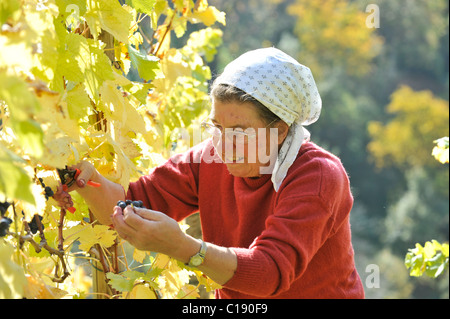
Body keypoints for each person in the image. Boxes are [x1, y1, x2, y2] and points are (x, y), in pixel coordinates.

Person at [55, 48, 365, 299]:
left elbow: (269, 273)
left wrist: (184, 247)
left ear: (280, 131)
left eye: (240, 131)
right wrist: (83, 178)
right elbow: (132, 203)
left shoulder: (318, 176)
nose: (223, 144)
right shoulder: (209, 158)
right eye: (216, 126)